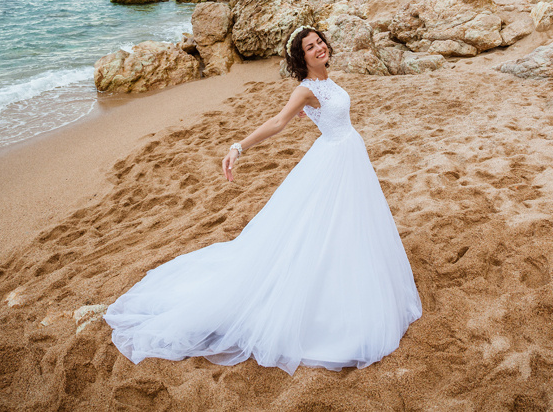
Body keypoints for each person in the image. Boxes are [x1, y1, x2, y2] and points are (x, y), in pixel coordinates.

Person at [103, 25, 422, 375]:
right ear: (301, 58)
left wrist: (316, 112)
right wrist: (238, 147)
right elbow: (277, 122)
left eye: (319, 43)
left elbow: (326, 111)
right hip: (334, 159)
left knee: (348, 225)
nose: (319, 49)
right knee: (321, 228)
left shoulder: (326, 81)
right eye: (310, 47)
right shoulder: (305, 89)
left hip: (346, 155)